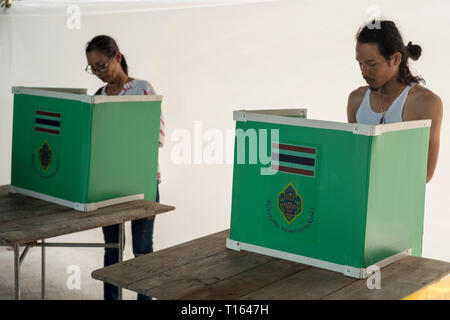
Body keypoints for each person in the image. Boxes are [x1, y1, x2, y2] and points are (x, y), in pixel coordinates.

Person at [85, 35, 165, 300]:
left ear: (117, 57)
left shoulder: (142, 89)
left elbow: (158, 137)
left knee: (142, 252)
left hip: (142, 183)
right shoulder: (98, 97)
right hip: (106, 187)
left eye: (101, 66)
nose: (98, 73)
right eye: (92, 68)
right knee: (112, 251)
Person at [347, 20, 442, 183]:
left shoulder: (425, 103)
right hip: (359, 199)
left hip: (399, 202)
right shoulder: (356, 99)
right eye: (360, 63)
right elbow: (354, 158)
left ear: (396, 59)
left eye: (371, 64)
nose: (364, 71)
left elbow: (425, 173)